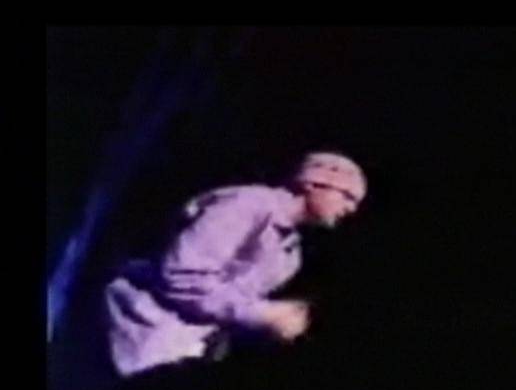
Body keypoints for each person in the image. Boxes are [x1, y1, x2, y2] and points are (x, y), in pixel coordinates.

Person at [104, 151, 367, 377]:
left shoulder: (290, 255)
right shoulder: (248, 204)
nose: (351, 209)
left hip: (179, 355)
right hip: (137, 338)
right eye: (347, 196)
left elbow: (225, 308)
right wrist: (262, 314)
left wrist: (275, 324)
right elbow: (181, 278)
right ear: (313, 183)